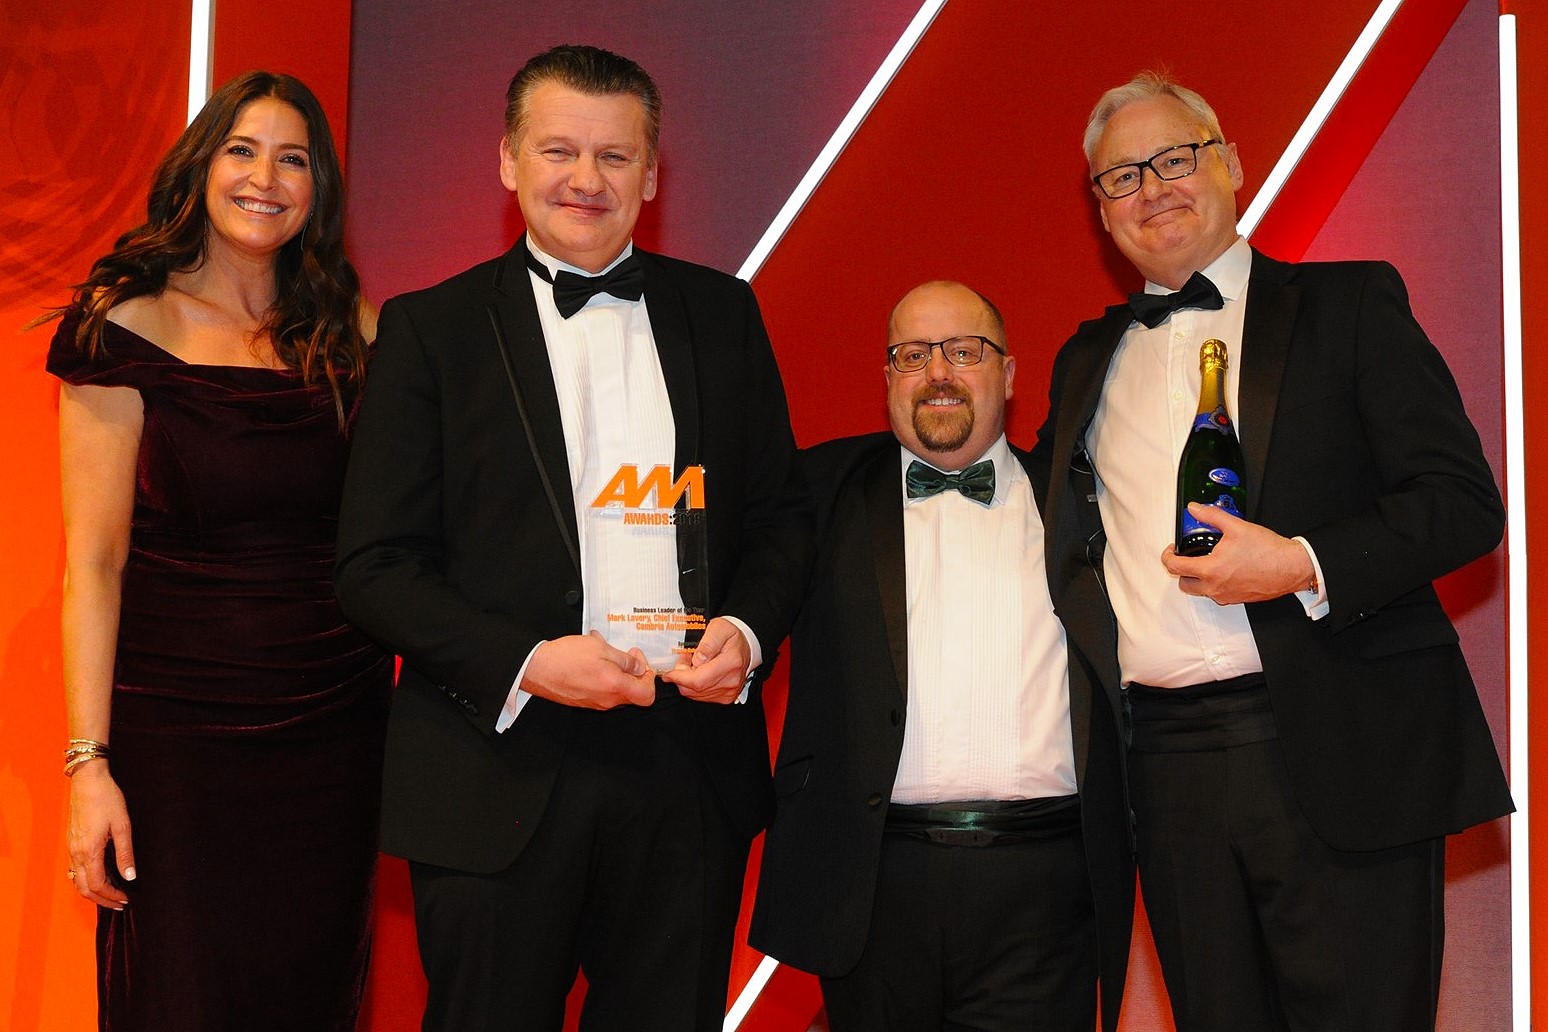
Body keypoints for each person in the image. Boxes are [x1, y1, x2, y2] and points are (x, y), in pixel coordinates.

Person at [334, 44, 809, 1032]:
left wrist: (749, 635)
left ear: (652, 172)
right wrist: (528, 662)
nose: (586, 179)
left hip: (687, 775)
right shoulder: (431, 330)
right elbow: (374, 565)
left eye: (614, 156)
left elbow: (779, 518)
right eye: (559, 150)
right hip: (492, 769)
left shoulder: (724, 315)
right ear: (508, 162)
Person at [1034, 71, 1513, 1032]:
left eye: (1176, 158)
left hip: (1337, 744)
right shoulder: (1085, 359)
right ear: (1099, 211)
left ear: (1232, 163)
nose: (1153, 187)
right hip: (1164, 773)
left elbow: (1463, 506)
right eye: (1121, 176)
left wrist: (1301, 562)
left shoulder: (1350, 306)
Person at [48, 71, 392, 1030]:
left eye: (294, 159)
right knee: (182, 995)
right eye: (243, 150)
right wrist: (89, 765)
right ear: (201, 167)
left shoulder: (354, 331)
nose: (266, 178)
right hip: (178, 743)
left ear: (318, 186)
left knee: (313, 992)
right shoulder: (122, 327)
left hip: (335, 730)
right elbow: (95, 562)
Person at [750, 281, 1132, 1032]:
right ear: (887, 378)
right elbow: (741, 594)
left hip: (1044, 887)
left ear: (1010, 373)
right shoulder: (817, 490)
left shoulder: (1082, 501)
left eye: (965, 351)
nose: (939, 374)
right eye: (913, 355)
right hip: (872, 883)